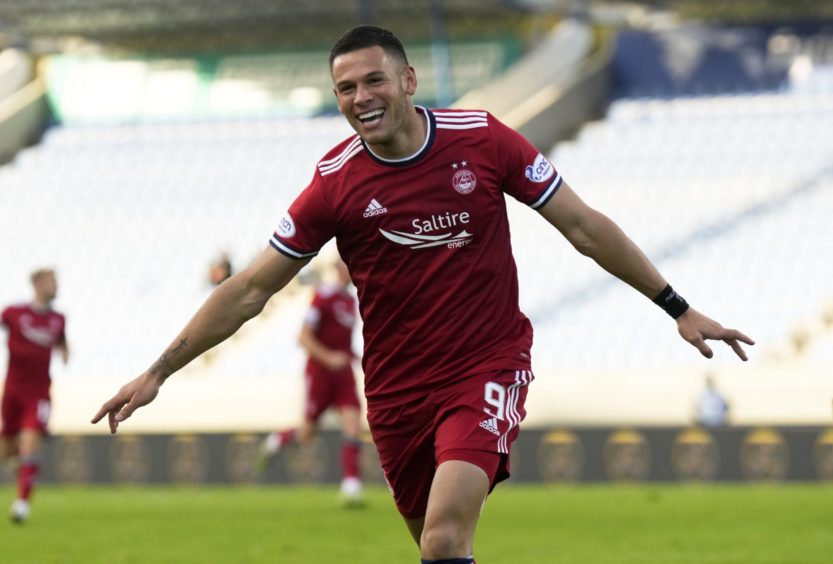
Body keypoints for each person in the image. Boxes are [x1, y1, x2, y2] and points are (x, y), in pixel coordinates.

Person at [92, 25, 754, 563]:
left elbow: (581, 226)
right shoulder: (334, 183)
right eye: (345, 88)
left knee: (442, 539)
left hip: (486, 366)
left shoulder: (483, 140)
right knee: (441, 550)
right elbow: (249, 289)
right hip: (394, 391)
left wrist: (678, 306)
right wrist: (157, 372)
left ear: (407, 80)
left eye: (372, 80)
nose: (359, 97)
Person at [257, 258, 364, 505]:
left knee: (352, 421)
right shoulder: (323, 297)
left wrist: (353, 356)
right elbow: (303, 337)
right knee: (308, 431)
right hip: (320, 372)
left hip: (342, 371)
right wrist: (328, 357)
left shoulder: (351, 302)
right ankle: (278, 440)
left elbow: (344, 342)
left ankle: (351, 485)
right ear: (339, 269)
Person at [2, 268, 69, 524]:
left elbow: (62, 342)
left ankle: (21, 504)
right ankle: (17, 464)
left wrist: (64, 352)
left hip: (39, 392)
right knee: (7, 448)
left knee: (30, 441)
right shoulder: (14, 313)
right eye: (53, 281)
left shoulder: (58, 319)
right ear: (37, 283)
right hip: (12, 391)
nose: (56, 286)